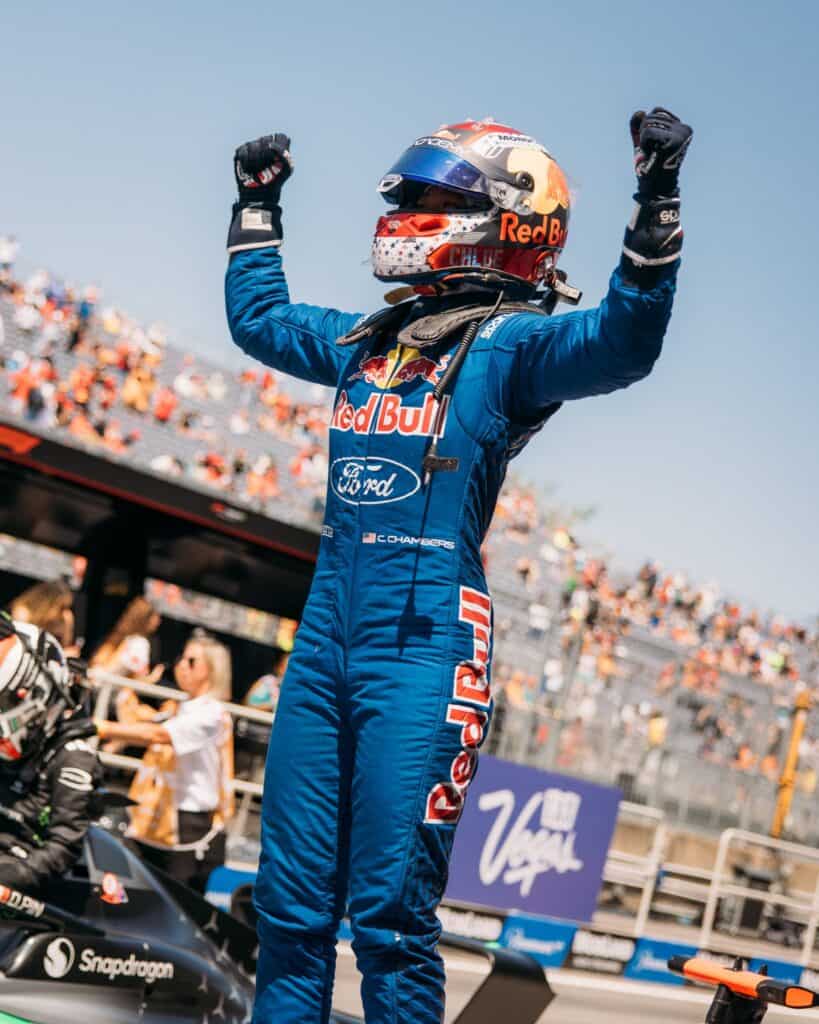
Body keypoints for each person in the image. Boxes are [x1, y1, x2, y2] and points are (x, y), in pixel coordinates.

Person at [224, 108, 692, 1023]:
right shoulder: (369, 341)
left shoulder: (509, 345)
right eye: (411, 196)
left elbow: (624, 343)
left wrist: (655, 202)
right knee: (288, 910)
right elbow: (261, 322)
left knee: (393, 921)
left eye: (436, 200)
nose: (407, 212)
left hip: (426, 647)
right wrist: (253, 210)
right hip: (326, 644)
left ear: (507, 221)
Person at [95, 631, 234, 892]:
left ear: (212, 670)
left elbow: (158, 734)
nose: (181, 665)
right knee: (137, 889)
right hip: (156, 817)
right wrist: (134, 682)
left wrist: (101, 728)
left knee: (179, 902)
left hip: (188, 823)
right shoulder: (177, 708)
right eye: (181, 658)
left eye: (191, 661)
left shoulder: (212, 714)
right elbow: (140, 720)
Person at [0, 618, 101, 893]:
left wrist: (8, 878)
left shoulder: (73, 757)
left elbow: (63, 849)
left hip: (24, 883)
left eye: (2, 702)